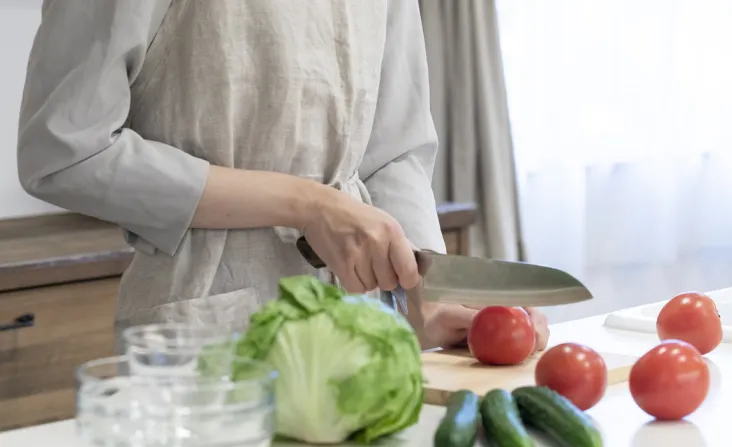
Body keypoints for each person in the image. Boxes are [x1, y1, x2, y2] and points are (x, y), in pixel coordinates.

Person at [17, 0, 549, 352]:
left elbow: (394, 150)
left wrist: (427, 297)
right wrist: (306, 204)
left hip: (360, 330)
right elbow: (64, 151)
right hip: (208, 341)